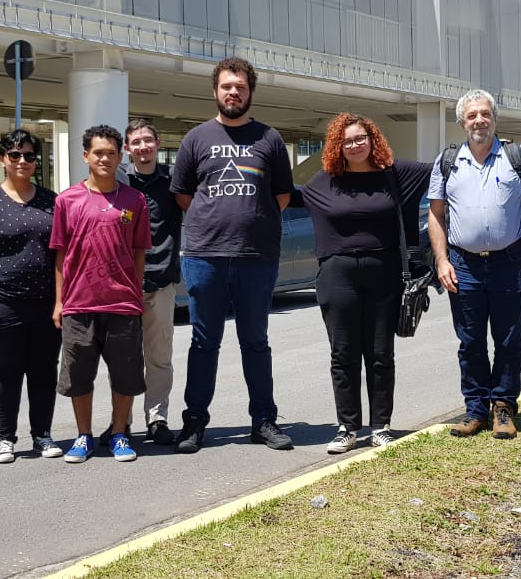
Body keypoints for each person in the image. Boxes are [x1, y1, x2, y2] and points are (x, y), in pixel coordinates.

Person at [169, 57, 295, 454]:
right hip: (204, 255)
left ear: (250, 92)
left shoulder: (270, 139)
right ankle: (194, 423)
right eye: (227, 86)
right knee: (204, 343)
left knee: (255, 342)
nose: (233, 92)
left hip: (256, 256)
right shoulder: (196, 138)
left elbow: (283, 196)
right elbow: (184, 195)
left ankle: (263, 421)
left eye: (240, 87)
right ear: (215, 91)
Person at [301, 113, 431, 453]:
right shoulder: (323, 182)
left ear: (373, 140)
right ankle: (347, 427)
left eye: (361, 138)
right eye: (347, 141)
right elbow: (281, 197)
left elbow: (445, 169)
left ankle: (380, 426)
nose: (355, 145)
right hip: (337, 272)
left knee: (380, 352)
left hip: (383, 269)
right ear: (337, 146)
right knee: (343, 353)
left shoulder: (396, 175)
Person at [427, 89, 521, 440]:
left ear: (494, 118)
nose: (479, 120)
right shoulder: (447, 161)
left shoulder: (517, 156)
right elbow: (436, 215)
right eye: (472, 115)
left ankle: (504, 408)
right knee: (470, 340)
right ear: (462, 122)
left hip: (509, 260)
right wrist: (442, 261)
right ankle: (476, 409)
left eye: (485, 114)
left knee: (509, 339)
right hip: (462, 263)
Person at [0, 129, 63, 464]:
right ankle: (4, 438)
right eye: (15, 155)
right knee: (5, 371)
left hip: (44, 302)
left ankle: (42, 435)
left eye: (30, 156)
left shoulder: (52, 201)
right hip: (0, 299)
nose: (22, 161)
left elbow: (62, 255)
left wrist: (61, 301)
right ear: (3, 158)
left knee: (44, 369)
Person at [50, 124, 151, 463]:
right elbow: (61, 255)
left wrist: (135, 294)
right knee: (79, 376)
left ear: (120, 156)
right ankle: (84, 436)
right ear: (85, 156)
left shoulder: (134, 200)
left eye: (111, 153)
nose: (104, 158)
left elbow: (139, 251)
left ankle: (120, 433)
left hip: (123, 304)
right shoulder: (67, 200)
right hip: (79, 304)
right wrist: (60, 302)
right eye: (98, 153)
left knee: (125, 374)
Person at [109, 118, 183, 446]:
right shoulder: (117, 181)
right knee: (123, 358)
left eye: (147, 141)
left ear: (157, 142)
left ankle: (157, 418)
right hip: (122, 286)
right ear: (127, 149)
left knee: (158, 356)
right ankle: (120, 423)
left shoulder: (174, 180)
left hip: (162, 282)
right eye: (135, 142)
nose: (142, 147)